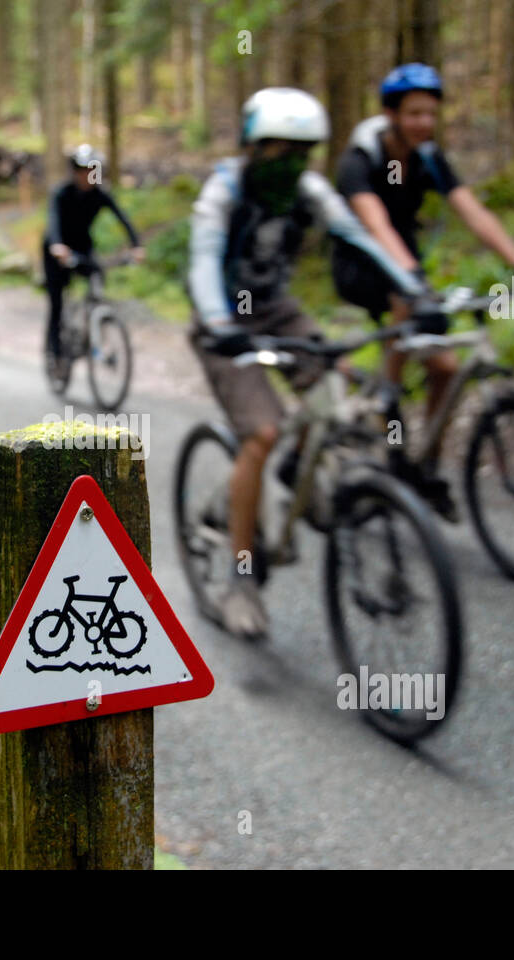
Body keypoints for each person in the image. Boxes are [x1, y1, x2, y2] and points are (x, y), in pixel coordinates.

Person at [188, 87, 428, 641]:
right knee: (262, 432)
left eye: (302, 152)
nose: (290, 163)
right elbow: (203, 261)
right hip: (223, 321)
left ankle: (300, 468)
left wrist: (413, 292)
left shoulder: (310, 191)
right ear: (252, 146)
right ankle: (240, 581)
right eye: (278, 150)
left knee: (333, 399)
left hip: (278, 310)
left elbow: (359, 237)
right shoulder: (222, 193)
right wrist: (220, 325)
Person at [330, 62, 514, 519]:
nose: (424, 124)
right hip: (362, 266)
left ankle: (426, 464)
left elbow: (472, 211)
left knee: (447, 366)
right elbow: (375, 226)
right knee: (403, 305)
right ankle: (389, 407)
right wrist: (414, 284)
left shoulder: (429, 158)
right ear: (391, 113)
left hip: (407, 266)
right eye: (414, 114)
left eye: (431, 114)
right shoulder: (360, 159)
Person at [41, 144, 145, 382]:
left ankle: (94, 326)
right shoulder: (61, 193)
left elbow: (123, 218)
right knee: (56, 304)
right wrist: (57, 246)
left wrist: (136, 244)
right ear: (74, 172)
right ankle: (55, 355)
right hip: (56, 251)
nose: (86, 175)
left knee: (97, 278)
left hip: (83, 248)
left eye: (91, 170)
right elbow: (53, 221)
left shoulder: (101, 194)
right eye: (81, 170)